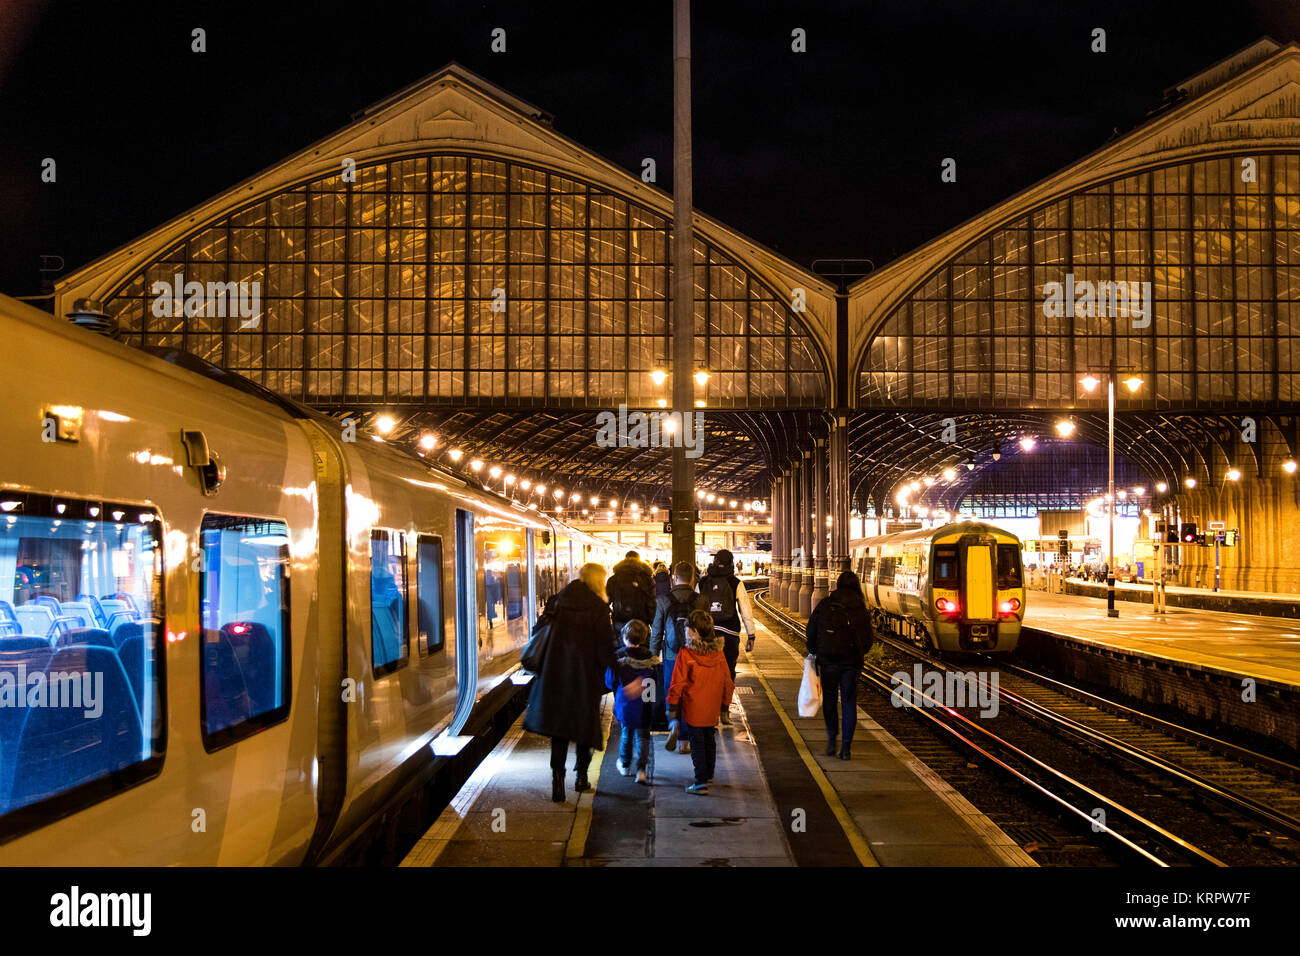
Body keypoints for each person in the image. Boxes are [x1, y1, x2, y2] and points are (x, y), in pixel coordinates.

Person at [524, 563, 617, 802]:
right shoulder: (597, 607)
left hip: (556, 674)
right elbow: (605, 647)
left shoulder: (557, 601)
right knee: (584, 727)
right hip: (585, 677)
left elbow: (537, 630)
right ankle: (581, 778)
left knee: (560, 730)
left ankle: (557, 781)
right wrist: (618, 674)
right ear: (598, 581)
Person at [805, 570, 873, 760]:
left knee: (830, 700)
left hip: (828, 661)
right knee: (849, 702)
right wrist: (858, 653)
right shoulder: (860, 607)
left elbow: (811, 630)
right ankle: (846, 749)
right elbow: (868, 638)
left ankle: (831, 740)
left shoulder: (826, 603)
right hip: (851, 663)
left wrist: (815, 651)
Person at [667, 610, 734, 795]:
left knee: (697, 744)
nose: (686, 630)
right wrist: (724, 707)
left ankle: (700, 782)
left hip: (694, 708)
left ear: (694, 632)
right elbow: (728, 682)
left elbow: (677, 683)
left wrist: (672, 708)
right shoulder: (719, 654)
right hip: (712, 708)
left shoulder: (686, 653)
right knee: (709, 740)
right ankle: (709, 776)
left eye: (688, 627)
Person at [651, 560, 707, 754]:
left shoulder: (663, 600)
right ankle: (685, 740)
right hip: (694, 655)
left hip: (671, 656)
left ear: (674, 578)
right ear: (692, 579)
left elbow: (657, 632)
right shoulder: (701, 601)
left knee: (672, 692)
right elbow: (708, 630)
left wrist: (653, 656)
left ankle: (673, 722)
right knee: (690, 694)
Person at [696, 549, 755, 724]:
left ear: (714, 562)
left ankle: (709, 710)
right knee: (728, 673)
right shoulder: (735, 582)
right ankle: (724, 710)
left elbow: (695, 608)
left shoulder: (703, 581)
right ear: (731, 563)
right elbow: (745, 609)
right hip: (729, 634)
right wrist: (751, 635)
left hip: (707, 633)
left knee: (706, 672)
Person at [605, 619, 661, 785]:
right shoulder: (650, 658)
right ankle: (641, 770)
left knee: (626, 733)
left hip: (626, 702)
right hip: (645, 701)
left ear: (624, 637)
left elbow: (610, 681)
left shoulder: (619, 657)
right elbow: (655, 680)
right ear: (644, 637)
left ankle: (624, 763)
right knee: (643, 736)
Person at [606, 550, 657, 647]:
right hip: (641, 627)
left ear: (624, 560)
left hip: (619, 626)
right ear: (639, 561)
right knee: (641, 655)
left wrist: (610, 619)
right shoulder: (647, 579)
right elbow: (651, 604)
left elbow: (605, 602)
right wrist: (653, 624)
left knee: (621, 656)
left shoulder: (613, 579)